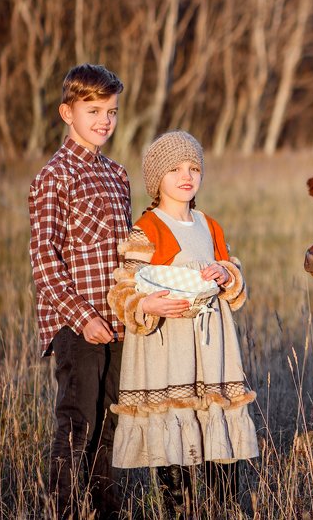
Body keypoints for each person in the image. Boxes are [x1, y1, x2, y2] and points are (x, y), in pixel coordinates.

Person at [106, 130, 258, 514]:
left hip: (211, 348)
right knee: (176, 429)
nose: (186, 175)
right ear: (157, 178)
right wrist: (147, 305)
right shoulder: (147, 228)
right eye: (174, 169)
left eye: (193, 167)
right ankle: (180, 508)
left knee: (216, 424)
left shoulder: (210, 225)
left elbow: (234, 278)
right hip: (167, 349)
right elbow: (123, 290)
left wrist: (227, 275)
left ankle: (225, 508)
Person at [28, 64, 132, 519]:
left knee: (113, 422)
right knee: (78, 422)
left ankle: (104, 507)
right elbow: (44, 261)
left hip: (119, 322)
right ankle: (67, 510)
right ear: (67, 112)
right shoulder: (53, 177)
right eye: (94, 110)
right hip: (77, 324)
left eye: (111, 111)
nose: (104, 121)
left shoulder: (118, 175)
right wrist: (83, 316)